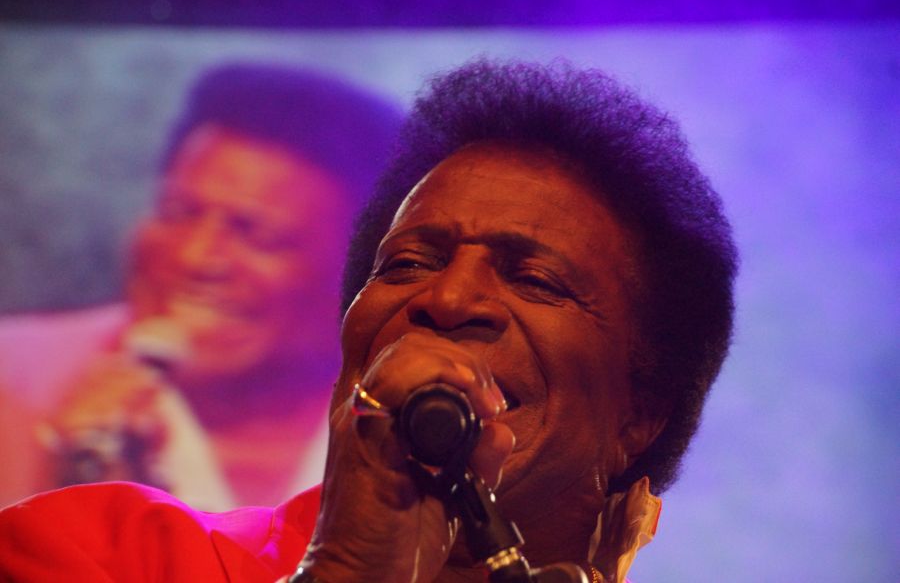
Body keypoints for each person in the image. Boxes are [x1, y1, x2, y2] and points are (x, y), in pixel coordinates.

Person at [0, 59, 737, 583]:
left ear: (641, 414)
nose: (449, 299)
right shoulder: (99, 553)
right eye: (408, 263)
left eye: (536, 280)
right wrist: (350, 572)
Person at [0, 63, 403, 509]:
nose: (194, 257)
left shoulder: (415, 416)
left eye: (256, 235)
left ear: (363, 270)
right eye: (178, 212)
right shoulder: (15, 380)